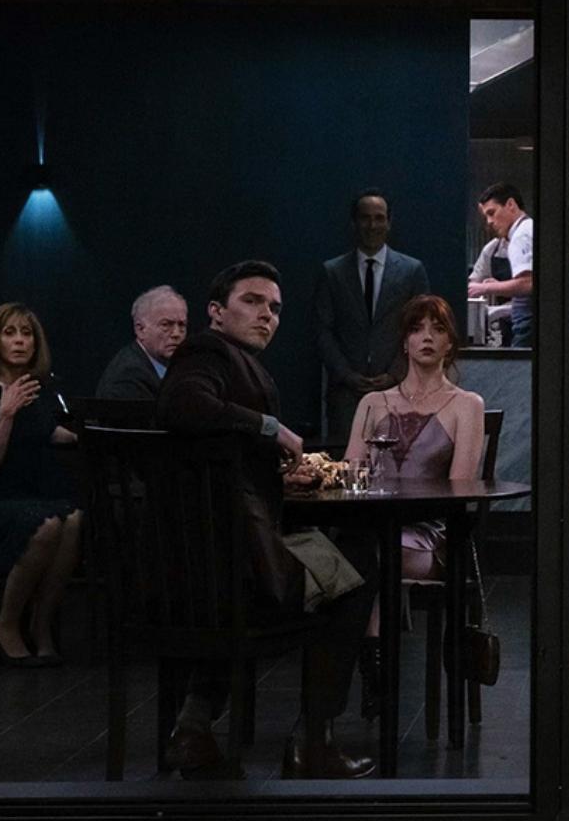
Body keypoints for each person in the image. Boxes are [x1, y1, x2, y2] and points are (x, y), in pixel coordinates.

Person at [157, 261, 375, 779]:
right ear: (216, 311)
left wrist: (277, 475)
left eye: (275, 308)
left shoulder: (236, 362)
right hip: (230, 569)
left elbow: (218, 453)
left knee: (331, 559)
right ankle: (315, 740)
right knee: (356, 570)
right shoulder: (206, 352)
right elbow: (183, 405)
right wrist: (272, 428)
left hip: (208, 563)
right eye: (252, 302)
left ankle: (193, 726)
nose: (267, 315)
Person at [342, 295, 486, 720]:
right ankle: (372, 667)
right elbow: (350, 474)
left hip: (432, 535)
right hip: (376, 526)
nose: (427, 337)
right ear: (404, 341)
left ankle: (373, 665)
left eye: (438, 329)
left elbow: (460, 488)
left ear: (450, 343)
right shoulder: (373, 403)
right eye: (417, 329)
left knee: (364, 555)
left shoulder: (466, 404)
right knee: (354, 548)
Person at [0, 304, 82, 666]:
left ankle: (40, 623)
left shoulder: (38, 390)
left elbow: (53, 432)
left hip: (27, 496)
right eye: (10, 333)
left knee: (74, 519)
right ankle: (5, 624)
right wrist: (6, 413)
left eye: (27, 333)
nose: (20, 341)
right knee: (47, 523)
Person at [316, 189, 431, 444]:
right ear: (354, 223)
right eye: (365, 218)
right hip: (346, 394)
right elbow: (323, 331)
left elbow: (422, 328)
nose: (372, 225)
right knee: (345, 461)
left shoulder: (412, 271)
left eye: (379, 218)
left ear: (389, 223)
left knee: (398, 462)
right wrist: (347, 375)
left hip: (399, 389)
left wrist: (394, 373)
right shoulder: (332, 272)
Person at [467, 182, 535, 347]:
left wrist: (485, 288)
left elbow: (528, 283)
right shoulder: (529, 229)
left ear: (510, 204)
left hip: (529, 325)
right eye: (486, 217)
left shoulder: (521, 235)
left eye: (492, 213)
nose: (489, 222)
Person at [97, 286, 187, 401]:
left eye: (182, 325)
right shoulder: (128, 379)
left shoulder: (175, 367)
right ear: (140, 330)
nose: (176, 333)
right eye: (165, 325)